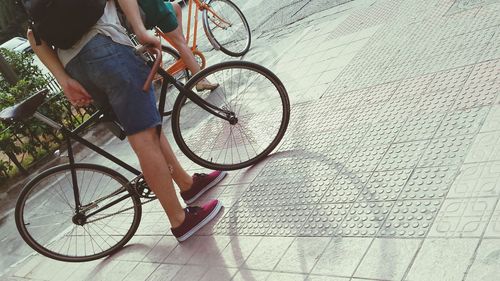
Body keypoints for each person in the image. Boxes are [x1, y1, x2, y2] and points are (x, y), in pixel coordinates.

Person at [27, 0, 226, 242]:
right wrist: (142, 32)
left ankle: (186, 183)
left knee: (145, 125)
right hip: (106, 46)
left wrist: (64, 80)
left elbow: (32, 35)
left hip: (76, 66)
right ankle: (180, 221)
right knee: (143, 136)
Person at [139, 0, 218, 91]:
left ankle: (186, 55)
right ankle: (200, 80)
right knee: (180, 43)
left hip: (143, 14)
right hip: (154, 9)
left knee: (176, 7)